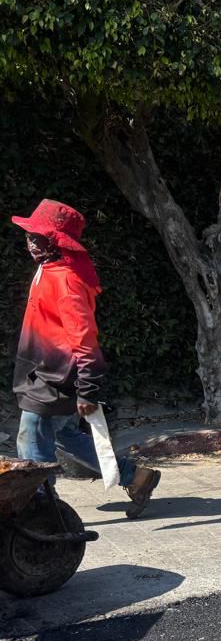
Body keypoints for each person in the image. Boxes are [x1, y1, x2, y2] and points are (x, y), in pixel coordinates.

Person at [11, 199, 161, 518]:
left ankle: (41, 513)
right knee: (64, 436)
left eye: (40, 236)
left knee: (32, 446)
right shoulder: (48, 267)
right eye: (30, 235)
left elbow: (85, 338)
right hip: (41, 373)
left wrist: (88, 390)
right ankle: (136, 476)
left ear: (57, 242)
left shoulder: (65, 279)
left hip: (53, 378)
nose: (31, 241)